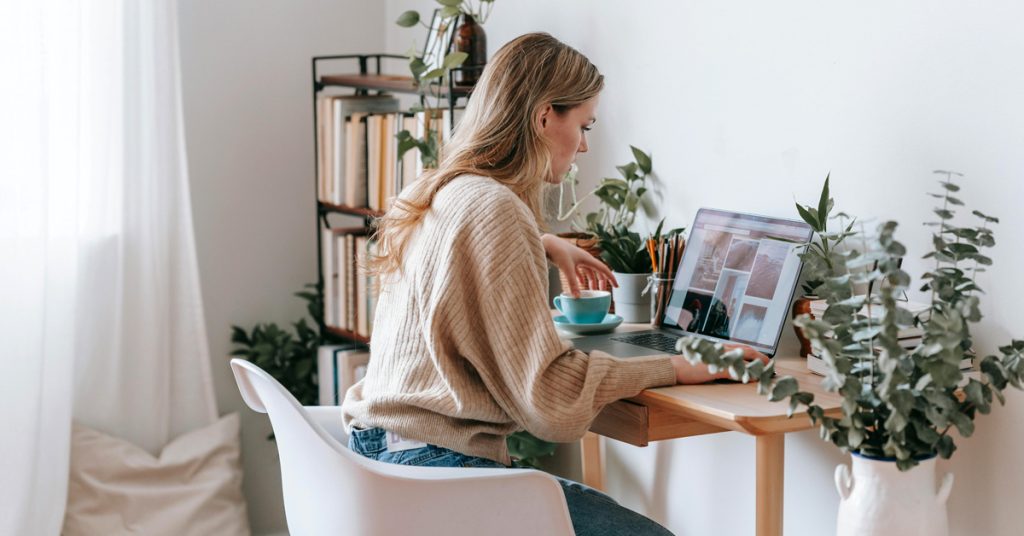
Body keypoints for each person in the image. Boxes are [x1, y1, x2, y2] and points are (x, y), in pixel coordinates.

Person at [342, 32, 767, 536]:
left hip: (382, 457)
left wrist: (544, 240)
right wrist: (675, 365)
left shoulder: (438, 188)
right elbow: (549, 400)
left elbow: (460, 251)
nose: (585, 144)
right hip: (434, 473)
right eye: (583, 125)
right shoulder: (496, 209)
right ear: (545, 117)